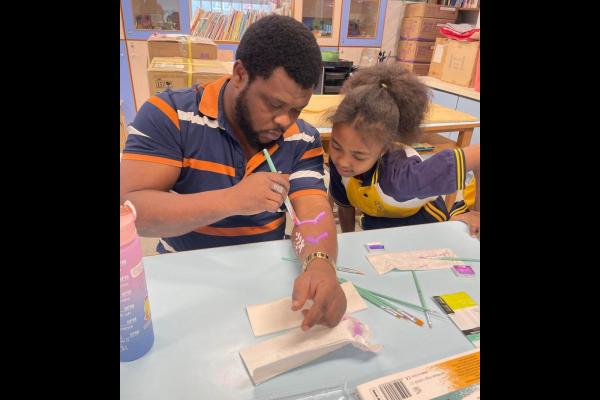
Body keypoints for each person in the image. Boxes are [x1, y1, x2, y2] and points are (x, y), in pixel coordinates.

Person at [120, 15, 346, 331]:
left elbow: (312, 210)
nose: (285, 121)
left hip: (264, 280)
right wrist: (233, 200)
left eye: (296, 109)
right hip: (182, 278)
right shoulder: (171, 115)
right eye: (274, 104)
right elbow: (132, 212)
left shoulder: (302, 137)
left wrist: (320, 266)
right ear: (240, 74)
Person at [327, 63, 480, 239]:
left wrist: (477, 213)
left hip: (424, 225)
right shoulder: (338, 162)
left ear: (385, 148)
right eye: (336, 146)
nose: (342, 161)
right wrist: (349, 240)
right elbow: (345, 204)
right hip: (378, 221)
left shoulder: (405, 178)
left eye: (359, 155)